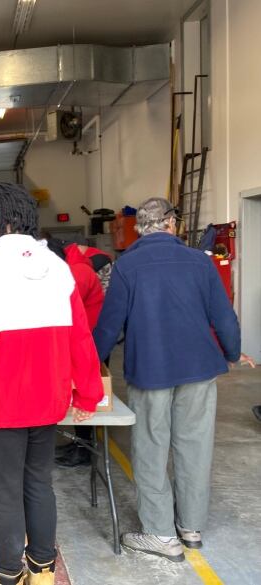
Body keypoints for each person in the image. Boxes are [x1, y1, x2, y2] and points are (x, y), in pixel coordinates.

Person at [0, 183, 104, 585]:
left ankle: (6, 573)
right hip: (47, 403)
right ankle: (43, 571)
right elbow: (80, 339)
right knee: (39, 484)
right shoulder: (58, 267)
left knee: (4, 495)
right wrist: (89, 392)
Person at [93, 197, 255, 562]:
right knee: (194, 446)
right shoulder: (200, 262)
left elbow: (109, 326)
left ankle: (160, 533)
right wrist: (232, 353)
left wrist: (89, 368)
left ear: (140, 228)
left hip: (151, 371)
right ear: (171, 224)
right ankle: (191, 527)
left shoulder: (127, 266)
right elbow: (224, 316)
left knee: (151, 447)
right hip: (199, 368)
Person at [47, 237, 106, 468]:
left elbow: (63, 308)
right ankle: (81, 444)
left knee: (83, 397)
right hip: (83, 337)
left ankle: (84, 450)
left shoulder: (78, 272)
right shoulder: (75, 267)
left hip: (87, 339)